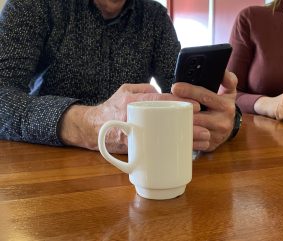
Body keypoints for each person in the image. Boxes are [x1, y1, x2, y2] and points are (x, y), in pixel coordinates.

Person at [0, 0, 240, 154]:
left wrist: (225, 120)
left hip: (134, 178)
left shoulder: (154, 16)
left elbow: (182, 94)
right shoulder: (31, 5)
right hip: (43, 172)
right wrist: (90, 124)